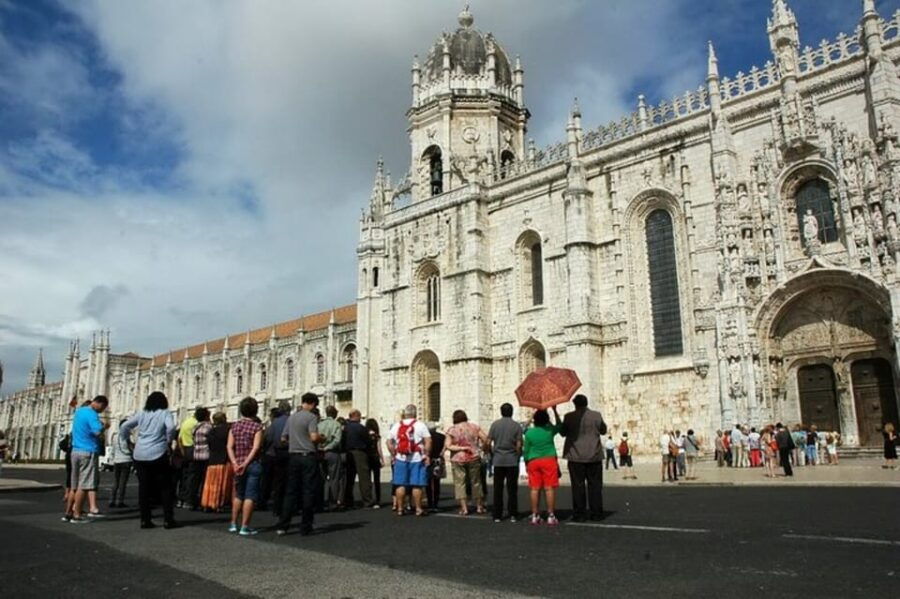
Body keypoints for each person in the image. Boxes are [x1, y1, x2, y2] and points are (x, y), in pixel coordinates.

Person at [120, 391, 178, 529]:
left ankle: (145, 520)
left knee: (144, 487)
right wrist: (168, 441)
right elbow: (171, 427)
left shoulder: (142, 413)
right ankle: (168, 519)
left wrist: (126, 439)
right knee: (165, 487)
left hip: (140, 454)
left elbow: (124, 426)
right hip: (158, 453)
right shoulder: (165, 413)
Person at [276, 393, 323, 535]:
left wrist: (295, 443)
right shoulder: (311, 417)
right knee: (308, 491)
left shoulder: (291, 417)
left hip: (293, 457)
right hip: (307, 456)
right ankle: (305, 526)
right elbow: (314, 437)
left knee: (291, 491)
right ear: (312, 404)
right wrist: (322, 438)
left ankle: (283, 525)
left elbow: (283, 438)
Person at [561, 395, 607, 522]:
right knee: (595, 486)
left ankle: (579, 514)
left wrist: (555, 412)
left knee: (577, 486)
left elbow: (562, 432)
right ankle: (596, 513)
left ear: (575, 404)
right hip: (594, 456)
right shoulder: (597, 415)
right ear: (586, 403)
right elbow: (603, 430)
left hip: (576, 457)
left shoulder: (569, 417)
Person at [227, 396, 265, 536]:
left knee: (238, 494)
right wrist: (245, 463)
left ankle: (233, 524)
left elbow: (230, 447)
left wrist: (235, 463)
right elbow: (255, 449)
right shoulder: (257, 427)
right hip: (252, 464)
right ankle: (245, 526)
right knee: (250, 496)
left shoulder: (234, 426)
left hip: (237, 464)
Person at [387, 404, 432, 517]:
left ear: (405, 414)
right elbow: (428, 441)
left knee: (400, 484)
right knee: (417, 484)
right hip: (416, 458)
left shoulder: (397, 425)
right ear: (415, 413)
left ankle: (400, 509)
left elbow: (388, 442)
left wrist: (393, 453)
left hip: (400, 458)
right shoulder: (420, 425)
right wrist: (427, 454)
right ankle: (418, 508)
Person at [70, 395, 109, 522]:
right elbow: (97, 431)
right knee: (84, 485)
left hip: (75, 451)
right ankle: (77, 515)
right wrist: (104, 427)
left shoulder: (79, 411)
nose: (101, 411)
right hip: (87, 451)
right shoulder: (92, 414)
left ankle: (69, 512)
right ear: (99, 403)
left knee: (74, 485)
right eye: (102, 408)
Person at [445, 409, 488, 516]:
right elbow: (485, 438)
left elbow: (448, 445)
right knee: (476, 482)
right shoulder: (474, 427)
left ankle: (464, 508)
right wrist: (482, 448)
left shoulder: (452, 430)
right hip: (474, 456)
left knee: (460, 483)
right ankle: (479, 506)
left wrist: (460, 448)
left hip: (458, 459)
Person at [524, 407, 562, 525]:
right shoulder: (549, 430)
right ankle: (550, 515)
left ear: (535, 420)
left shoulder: (529, 432)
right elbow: (560, 426)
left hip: (533, 460)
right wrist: (555, 411)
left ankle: (535, 514)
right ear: (546, 420)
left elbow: (526, 450)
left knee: (534, 488)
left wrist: (532, 416)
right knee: (549, 488)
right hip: (548, 460)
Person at [488, 402, 523, 523]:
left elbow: (488, 442)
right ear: (512, 412)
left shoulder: (495, 425)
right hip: (512, 460)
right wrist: (517, 455)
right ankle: (513, 513)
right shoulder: (516, 426)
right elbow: (519, 445)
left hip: (498, 460)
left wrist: (492, 453)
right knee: (512, 489)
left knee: (498, 488)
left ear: (501, 412)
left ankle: (497, 515)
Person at [261, 400, 291, 517]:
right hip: (289, 452)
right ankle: (287, 507)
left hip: (276, 453)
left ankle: (276, 507)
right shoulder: (291, 420)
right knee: (289, 482)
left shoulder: (275, 423)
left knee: (277, 482)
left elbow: (268, 438)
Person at [201, 412, 233, 512]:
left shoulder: (211, 432)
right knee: (221, 484)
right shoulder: (228, 431)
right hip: (223, 459)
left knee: (210, 483)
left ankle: (208, 503)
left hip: (212, 460)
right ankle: (218, 504)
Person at [344, 409, 377, 508]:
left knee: (349, 478)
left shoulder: (345, 428)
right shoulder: (361, 428)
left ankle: (348, 500)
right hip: (360, 452)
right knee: (364, 478)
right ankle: (367, 500)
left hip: (348, 452)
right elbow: (367, 441)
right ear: (357, 416)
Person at [318, 405, 345, 510]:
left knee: (321, 479)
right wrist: (328, 447)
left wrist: (321, 448)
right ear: (334, 414)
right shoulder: (336, 424)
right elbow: (337, 440)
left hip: (320, 453)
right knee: (334, 478)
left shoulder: (320, 424)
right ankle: (332, 502)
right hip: (332, 453)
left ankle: (319, 502)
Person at [188, 408, 212, 510]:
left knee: (195, 480)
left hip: (196, 455)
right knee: (205, 480)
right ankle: (203, 501)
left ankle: (192, 501)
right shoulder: (208, 427)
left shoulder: (195, 427)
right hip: (206, 455)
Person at [108, 419, 134, 508]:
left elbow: (113, 449)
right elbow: (131, 448)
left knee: (116, 481)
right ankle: (120, 501)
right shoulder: (127, 436)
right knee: (123, 482)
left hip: (117, 460)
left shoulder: (115, 436)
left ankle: (112, 500)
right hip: (126, 460)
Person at [176, 409, 198, 508]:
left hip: (184, 450)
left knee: (183, 476)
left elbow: (179, 439)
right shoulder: (196, 424)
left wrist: (182, 452)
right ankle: (188, 500)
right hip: (193, 449)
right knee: (192, 477)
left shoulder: (185, 422)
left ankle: (181, 499)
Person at [425, 424, 445, 512]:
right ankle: (436, 504)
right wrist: (441, 453)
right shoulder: (442, 436)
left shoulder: (426, 438)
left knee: (428, 483)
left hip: (429, 460)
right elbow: (445, 447)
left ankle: (430, 503)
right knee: (437, 483)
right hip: (438, 460)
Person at [365, 418, 385, 506]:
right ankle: (378, 499)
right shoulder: (377, 436)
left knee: (368, 480)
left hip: (367, 458)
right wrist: (382, 459)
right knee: (377, 480)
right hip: (375, 458)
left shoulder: (365, 435)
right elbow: (379, 448)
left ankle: (369, 498)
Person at [60, 433, 76, 521]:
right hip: (76, 454)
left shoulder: (70, 435)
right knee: (78, 483)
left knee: (70, 477)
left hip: (70, 455)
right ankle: (75, 509)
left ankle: (69, 510)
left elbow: (61, 444)